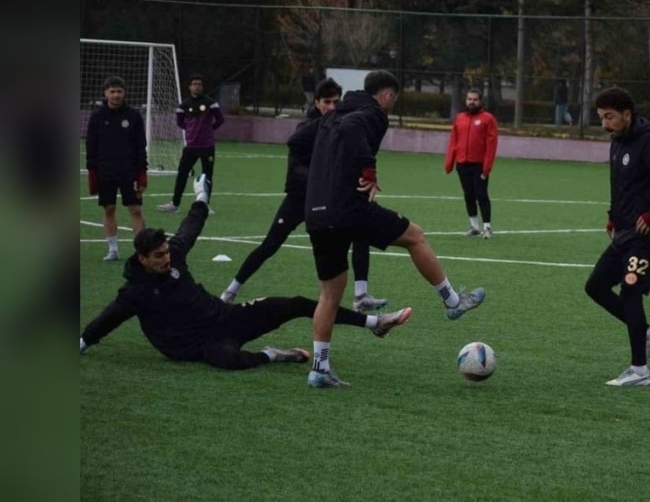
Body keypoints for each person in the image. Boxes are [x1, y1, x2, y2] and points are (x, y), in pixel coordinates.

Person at [79, 174, 413, 373]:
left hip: (228, 317)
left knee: (294, 303)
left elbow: (190, 227)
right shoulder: (134, 291)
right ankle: (273, 354)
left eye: (166, 253)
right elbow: (109, 318)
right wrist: (82, 341)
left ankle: (374, 323)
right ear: (142, 259)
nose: (166, 259)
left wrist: (200, 197)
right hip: (196, 347)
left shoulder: (175, 254)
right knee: (229, 360)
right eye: (158, 257)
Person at [304, 69, 486, 389]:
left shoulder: (330, 115)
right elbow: (352, 130)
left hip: (316, 213)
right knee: (415, 236)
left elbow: (305, 139)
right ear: (387, 96)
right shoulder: (372, 113)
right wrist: (368, 168)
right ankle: (453, 302)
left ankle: (320, 369)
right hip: (348, 209)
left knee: (330, 293)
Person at [220, 78, 388, 313]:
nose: (331, 106)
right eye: (326, 102)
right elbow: (296, 166)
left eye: (335, 102)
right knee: (270, 244)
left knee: (360, 232)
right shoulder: (308, 129)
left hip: (329, 200)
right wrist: (321, 181)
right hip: (301, 198)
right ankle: (231, 290)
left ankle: (361, 295)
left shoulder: (341, 125)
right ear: (317, 103)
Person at [584, 87, 650, 387]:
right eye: (601, 118)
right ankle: (646, 334)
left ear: (627, 114)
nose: (604, 124)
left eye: (610, 117)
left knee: (630, 290)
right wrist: (612, 214)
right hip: (625, 233)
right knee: (596, 286)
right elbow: (622, 186)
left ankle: (639, 371)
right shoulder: (617, 143)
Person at [85, 75, 149, 262]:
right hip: (106, 171)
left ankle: (141, 252)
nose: (116, 95)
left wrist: (142, 172)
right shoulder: (97, 116)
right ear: (105, 93)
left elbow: (140, 146)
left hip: (130, 171)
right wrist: (92, 171)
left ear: (124, 93)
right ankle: (113, 249)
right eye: (112, 91)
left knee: (135, 209)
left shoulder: (133, 116)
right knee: (109, 209)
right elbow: (91, 145)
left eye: (119, 91)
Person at [157, 74, 225, 213]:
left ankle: (205, 205)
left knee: (207, 175)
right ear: (189, 86)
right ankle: (174, 204)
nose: (197, 86)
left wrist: (209, 131)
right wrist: (190, 131)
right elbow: (180, 122)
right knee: (182, 173)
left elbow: (220, 119)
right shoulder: (184, 105)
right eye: (194, 84)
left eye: (199, 84)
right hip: (191, 146)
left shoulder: (210, 103)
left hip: (207, 146)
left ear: (202, 86)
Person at [444, 88, 499, 239]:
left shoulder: (488, 119)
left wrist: (487, 167)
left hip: (479, 165)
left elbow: (491, 145)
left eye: (475, 99)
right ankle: (474, 226)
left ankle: (487, 227)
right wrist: (449, 163)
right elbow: (453, 141)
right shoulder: (460, 118)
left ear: (480, 101)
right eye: (469, 99)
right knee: (468, 195)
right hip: (462, 164)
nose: (471, 102)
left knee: (481, 194)